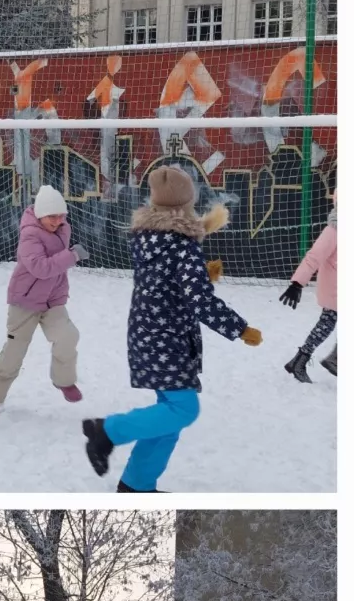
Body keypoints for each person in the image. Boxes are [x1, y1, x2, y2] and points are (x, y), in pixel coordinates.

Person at [82, 166, 260, 492]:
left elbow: (165, 281)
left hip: (148, 335)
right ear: (186, 202)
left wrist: (202, 272)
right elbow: (200, 302)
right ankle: (107, 431)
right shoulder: (181, 245)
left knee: (169, 418)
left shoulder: (149, 238)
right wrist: (239, 328)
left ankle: (137, 485)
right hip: (168, 341)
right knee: (183, 409)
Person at [0, 184, 86, 415]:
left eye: (61, 215)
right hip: (24, 302)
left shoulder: (62, 228)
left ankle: (63, 380)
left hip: (52, 300)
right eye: (52, 216)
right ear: (39, 214)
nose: (57, 220)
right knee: (14, 352)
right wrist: (72, 256)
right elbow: (40, 268)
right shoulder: (29, 234)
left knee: (68, 336)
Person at [281, 190, 337, 382]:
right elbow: (314, 257)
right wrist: (297, 283)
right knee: (328, 322)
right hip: (336, 289)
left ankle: (309, 360)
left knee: (328, 322)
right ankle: (303, 360)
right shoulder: (334, 230)